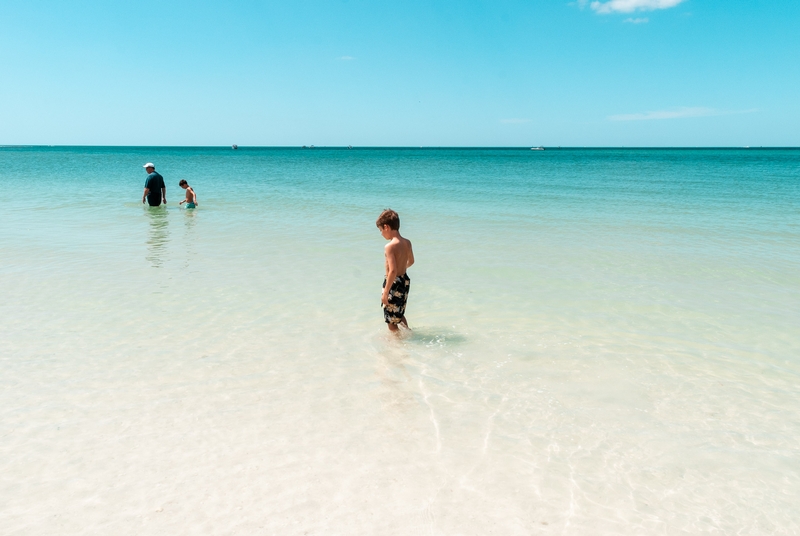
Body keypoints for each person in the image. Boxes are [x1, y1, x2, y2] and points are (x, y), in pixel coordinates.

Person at [377, 209, 414, 331]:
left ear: (386, 227)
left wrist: (386, 292)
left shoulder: (390, 246)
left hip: (393, 283)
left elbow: (392, 271)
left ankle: (396, 345)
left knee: (391, 321)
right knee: (399, 314)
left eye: (381, 230)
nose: (381, 233)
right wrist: (402, 268)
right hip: (404, 281)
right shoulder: (407, 242)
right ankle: (408, 334)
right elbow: (411, 261)